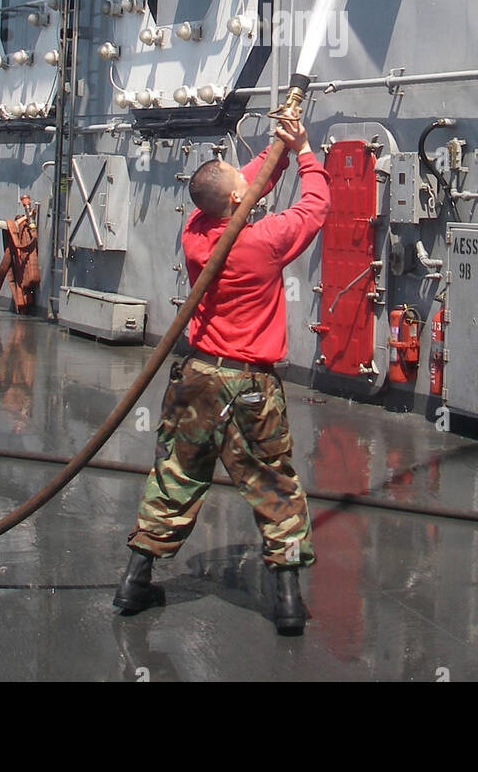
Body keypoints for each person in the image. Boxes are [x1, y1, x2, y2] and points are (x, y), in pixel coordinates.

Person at [113, 116, 331, 634]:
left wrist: (279, 145)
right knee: (275, 486)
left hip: (197, 380)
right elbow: (316, 205)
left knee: (176, 476)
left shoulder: (193, 233)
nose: (246, 179)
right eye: (240, 181)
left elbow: (247, 186)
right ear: (236, 202)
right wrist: (302, 151)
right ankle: (288, 605)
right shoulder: (266, 242)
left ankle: (133, 584)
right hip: (251, 386)